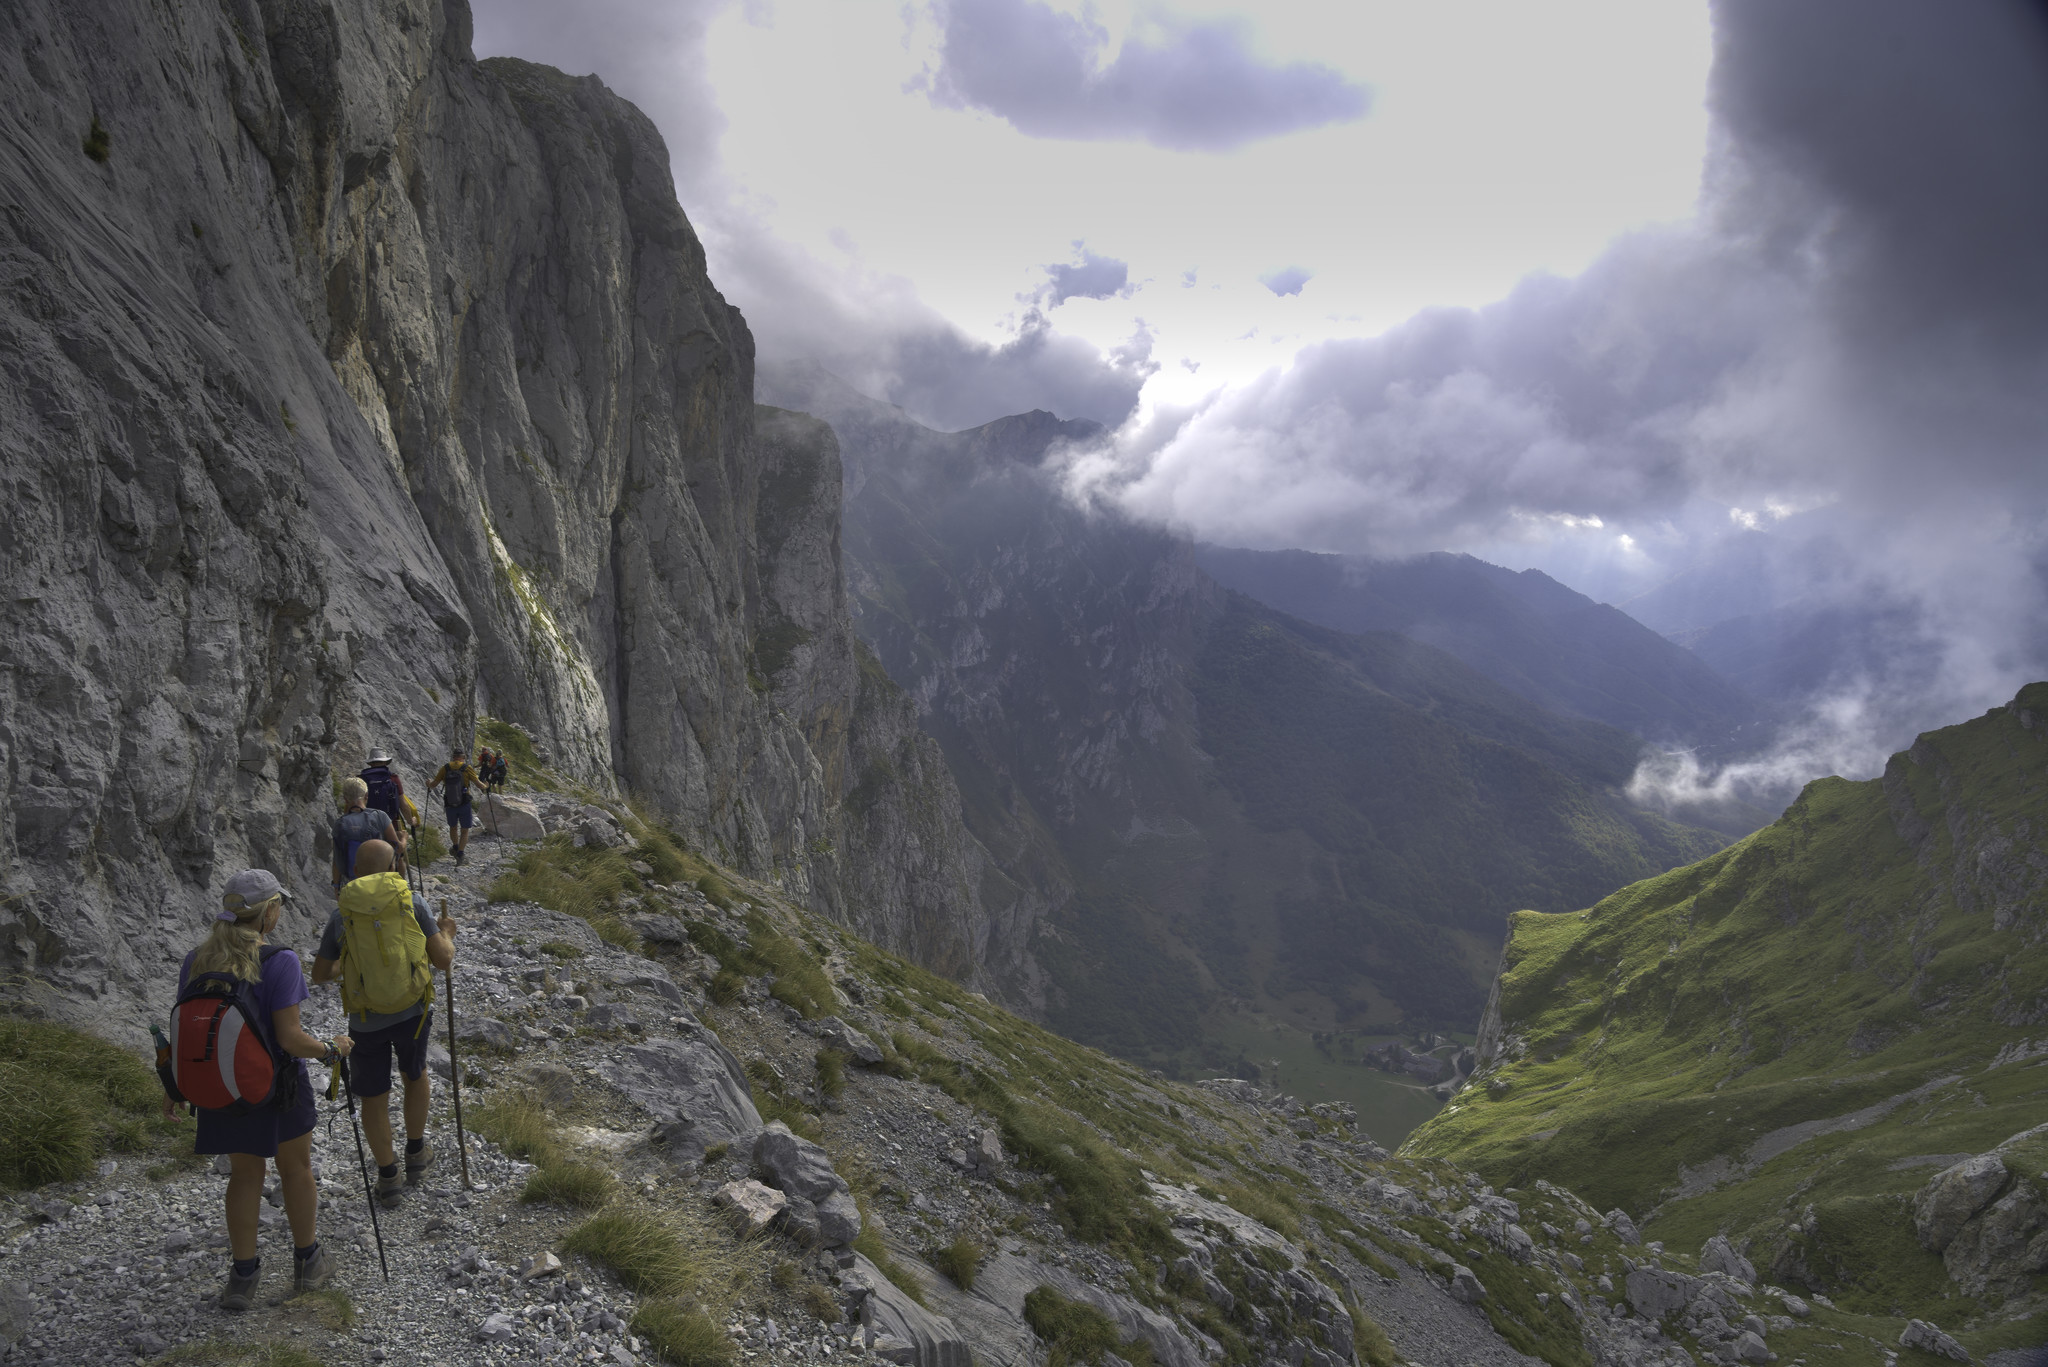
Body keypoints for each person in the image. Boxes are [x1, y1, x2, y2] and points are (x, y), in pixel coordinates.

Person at [169, 869, 354, 1309]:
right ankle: (308, 1262)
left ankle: (242, 1277)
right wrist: (332, 1047)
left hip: (222, 1086)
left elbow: (187, 1032)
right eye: (280, 905)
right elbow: (290, 1039)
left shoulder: (195, 960)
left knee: (245, 1174)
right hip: (278, 1086)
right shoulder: (279, 961)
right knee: (296, 1169)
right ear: (269, 912)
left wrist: (175, 1086)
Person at [311, 840, 457, 1197]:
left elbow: (320, 974)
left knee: (374, 1096)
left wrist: (348, 967)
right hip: (414, 1013)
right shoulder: (413, 902)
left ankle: (388, 1175)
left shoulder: (341, 914)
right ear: (395, 866)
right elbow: (442, 959)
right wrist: (447, 934)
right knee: (415, 1074)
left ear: (356, 871)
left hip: (365, 1018)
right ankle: (416, 1151)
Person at [331, 775, 407, 892]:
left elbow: (337, 860)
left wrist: (336, 887)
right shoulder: (380, 816)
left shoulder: (339, 824)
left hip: (351, 886)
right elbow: (398, 848)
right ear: (366, 796)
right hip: (379, 883)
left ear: (345, 799)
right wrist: (403, 838)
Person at [426, 746, 483, 866]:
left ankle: (455, 847)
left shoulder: (445, 768)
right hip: (464, 803)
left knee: (453, 827)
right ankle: (461, 855)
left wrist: (428, 783)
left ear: (453, 757)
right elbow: (479, 785)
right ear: (463, 757)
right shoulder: (467, 768)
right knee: (465, 830)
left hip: (449, 803)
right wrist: (486, 786)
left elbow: (434, 784)